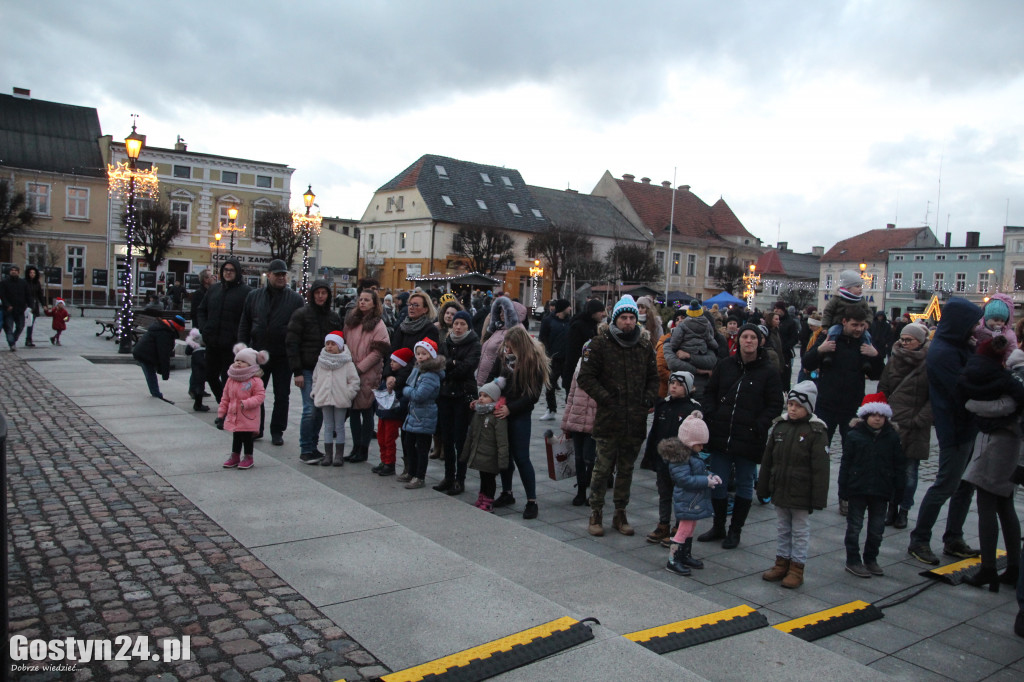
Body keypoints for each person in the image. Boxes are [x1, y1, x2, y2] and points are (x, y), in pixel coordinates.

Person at [907, 297, 984, 565]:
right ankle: (919, 539)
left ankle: (954, 538)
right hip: (955, 426)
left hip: (969, 425)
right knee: (946, 485)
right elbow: (961, 389)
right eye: (973, 323)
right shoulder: (943, 352)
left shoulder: (960, 346)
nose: (976, 328)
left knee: (965, 485)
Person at [577, 295, 659, 537]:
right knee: (602, 469)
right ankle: (596, 512)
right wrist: (606, 398)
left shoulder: (644, 345)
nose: (628, 322)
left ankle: (620, 513)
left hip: (634, 420)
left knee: (626, 470)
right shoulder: (599, 344)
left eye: (632, 317)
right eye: (624, 317)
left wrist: (647, 399)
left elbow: (653, 378)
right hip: (609, 418)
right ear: (615, 319)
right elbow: (585, 377)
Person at [698, 324, 784, 548]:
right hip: (722, 433)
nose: (749, 341)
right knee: (718, 482)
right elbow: (710, 392)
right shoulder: (725, 365)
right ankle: (718, 526)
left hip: (749, 437)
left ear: (759, 341)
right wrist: (712, 414)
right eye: (745, 336)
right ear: (738, 340)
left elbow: (775, 404)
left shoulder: (768, 371)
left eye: (753, 337)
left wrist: (759, 424)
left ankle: (735, 530)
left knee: (745, 484)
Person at [800, 306, 884, 515]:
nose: (858, 329)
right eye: (854, 325)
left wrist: (876, 356)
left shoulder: (865, 342)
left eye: (862, 325)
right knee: (819, 452)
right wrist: (820, 350)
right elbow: (807, 362)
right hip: (826, 404)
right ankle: (812, 493)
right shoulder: (829, 338)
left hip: (852, 407)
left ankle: (845, 497)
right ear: (844, 322)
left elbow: (877, 374)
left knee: (852, 456)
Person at [959, 340, 1024, 590]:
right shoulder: (1012, 371)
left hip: (1001, 442)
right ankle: (1014, 567)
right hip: (1009, 443)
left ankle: (988, 569)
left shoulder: (1015, 374)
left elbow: (1006, 405)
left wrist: (970, 404)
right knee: (1005, 503)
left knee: (987, 502)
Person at [757, 381, 830, 588]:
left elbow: (821, 468)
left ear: (808, 407)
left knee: (799, 531)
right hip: (781, 488)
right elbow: (768, 460)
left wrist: (818, 498)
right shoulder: (780, 426)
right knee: (782, 528)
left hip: (801, 492)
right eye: (790, 404)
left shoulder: (816, 431)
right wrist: (763, 486)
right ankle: (781, 562)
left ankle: (797, 567)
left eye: (798, 406)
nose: (793, 409)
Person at [238, 259, 304, 445]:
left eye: (284, 274)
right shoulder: (254, 296)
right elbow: (245, 323)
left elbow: (300, 328)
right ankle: (256, 428)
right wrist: (242, 350)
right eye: (277, 274)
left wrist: (296, 354)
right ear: (269, 275)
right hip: (258, 354)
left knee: (282, 395)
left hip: (283, 355)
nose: (281, 277)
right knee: (256, 394)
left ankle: (277, 430)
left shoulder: (295, 299)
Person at [840, 393, 905, 578]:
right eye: (874, 415)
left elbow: (899, 465)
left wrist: (898, 491)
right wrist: (843, 488)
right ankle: (853, 560)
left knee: (877, 530)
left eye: (881, 415)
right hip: (858, 489)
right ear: (865, 416)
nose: (877, 419)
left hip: (881, 490)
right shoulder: (854, 436)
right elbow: (846, 463)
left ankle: (871, 558)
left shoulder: (892, 438)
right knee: (854, 527)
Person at [488, 326, 550, 518]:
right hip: (501, 411)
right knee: (504, 456)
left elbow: (532, 396)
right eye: (506, 346)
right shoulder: (503, 358)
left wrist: (511, 408)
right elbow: (492, 379)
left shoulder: (533, 362)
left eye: (510, 347)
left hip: (519, 414)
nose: (507, 350)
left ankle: (532, 501)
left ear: (520, 346)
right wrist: (485, 396)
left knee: (522, 458)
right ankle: (507, 492)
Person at [877, 322, 931, 528]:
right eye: (902, 339)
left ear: (920, 341)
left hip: (915, 426)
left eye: (909, 340)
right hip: (893, 423)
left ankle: (904, 510)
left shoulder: (929, 363)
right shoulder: (893, 361)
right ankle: (891, 508)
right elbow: (883, 389)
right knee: (890, 470)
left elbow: (933, 398)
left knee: (909, 473)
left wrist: (919, 420)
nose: (904, 343)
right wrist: (881, 415)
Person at [286, 279, 343, 464]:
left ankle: (313, 446)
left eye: (323, 293)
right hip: (307, 369)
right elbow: (292, 343)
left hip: (326, 369)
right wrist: (297, 371)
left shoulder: (333, 317)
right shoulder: (301, 314)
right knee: (310, 408)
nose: (320, 296)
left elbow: (340, 343)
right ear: (312, 295)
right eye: (317, 293)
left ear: (328, 295)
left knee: (320, 410)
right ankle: (306, 449)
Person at [642, 371, 702, 546]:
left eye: (679, 384)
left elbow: (695, 437)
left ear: (688, 388)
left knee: (681, 495)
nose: (674, 387)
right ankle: (663, 524)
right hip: (663, 459)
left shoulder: (692, 408)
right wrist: (651, 456)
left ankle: (679, 527)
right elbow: (655, 432)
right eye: (672, 383)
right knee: (664, 493)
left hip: (682, 461)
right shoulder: (663, 405)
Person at [660, 413, 719, 576]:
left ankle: (684, 555)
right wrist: (706, 481)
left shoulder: (691, 455)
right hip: (687, 499)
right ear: (690, 442)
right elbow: (684, 479)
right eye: (699, 444)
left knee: (690, 527)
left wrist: (711, 476)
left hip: (692, 499)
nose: (702, 447)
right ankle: (673, 559)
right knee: (684, 529)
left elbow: (699, 473)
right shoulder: (681, 458)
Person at [436, 310, 481, 495]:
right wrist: (453, 363)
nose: (458, 327)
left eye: (462, 324)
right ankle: (448, 476)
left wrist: (452, 365)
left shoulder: (474, 344)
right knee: (446, 438)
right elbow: (439, 363)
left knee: (460, 440)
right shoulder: (446, 342)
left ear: (468, 326)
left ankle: (459, 479)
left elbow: (467, 368)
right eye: (456, 323)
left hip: (463, 395)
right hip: (446, 394)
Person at [343, 289, 391, 463]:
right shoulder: (351, 321)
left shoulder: (378, 324)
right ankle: (355, 447)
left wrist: (360, 367)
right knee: (353, 411)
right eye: (361, 299)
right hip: (351, 371)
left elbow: (378, 351)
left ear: (374, 303)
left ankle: (363, 449)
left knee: (366, 410)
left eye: (366, 300)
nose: (362, 302)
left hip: (369, 372)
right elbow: (344, 343)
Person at [196, 257, 251, 405]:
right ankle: (223, 403)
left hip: (231, 345)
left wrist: (242, 338)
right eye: (226, 270)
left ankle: (227, 409)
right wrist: (204, 328)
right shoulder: (214, 289)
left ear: (237, 272)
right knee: (210, 375)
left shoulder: (246, 292)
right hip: (212, 342)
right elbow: (201, 310)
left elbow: (250, 317)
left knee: (228, 379)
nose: (228, 273)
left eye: (232, 270)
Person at [398, 338, 444, 489]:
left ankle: (419, 476)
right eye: (418, 353)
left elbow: (419, 395)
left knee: (422, 448)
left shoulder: (430, 374)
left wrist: (406, 390)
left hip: (424, 414)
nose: (420, 356)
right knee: (409, 444)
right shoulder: (418, 370)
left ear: (431, 355)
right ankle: (411, 472)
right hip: (415, 413)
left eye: (424, 354)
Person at [311, 331, 361, 467]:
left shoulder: (347, 362)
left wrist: (348, 394)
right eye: (327, 343)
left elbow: (354, 381)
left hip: (341, 398)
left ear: (339, 346)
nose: (329, 346)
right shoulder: (321, 361)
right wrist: (316, 392)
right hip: (324, 397)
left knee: (339, 426)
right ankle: (328, 455)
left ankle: (339, 455)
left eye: (333, 344)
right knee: (328, 426)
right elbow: (315, 378)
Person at [462, 378, 510, 512]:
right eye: (480, 395)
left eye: (485, 396)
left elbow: (502, 441)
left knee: (489, 479)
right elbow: (471, 435)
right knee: (483, 477)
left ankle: (488, 501)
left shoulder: (497, 415)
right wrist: (466, 453)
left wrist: (503, 460)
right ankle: (482, 497)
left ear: (494, 398)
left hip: (491, 456)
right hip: (481, 454)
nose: (481, 398)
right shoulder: (479, 413)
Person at [561, 342, 599, 507]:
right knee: (578, 458)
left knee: (590, 458)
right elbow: (571, 396)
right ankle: (581, 491)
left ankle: (593, 491)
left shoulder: (603, 372)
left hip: (593, 421)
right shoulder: (578, 370)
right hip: (576, 419)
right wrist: (566, 422)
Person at [219, 344, 269, 470]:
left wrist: (247, 403)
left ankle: (248, 456)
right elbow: (225, 396)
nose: (238, 363)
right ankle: (235, 455)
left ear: (251, 364)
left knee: (247, 437)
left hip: (248, 416)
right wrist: (222, 412)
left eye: (243, 361)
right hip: (235, 415)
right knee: (236, 436)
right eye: (237, 360)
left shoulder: (255, 380)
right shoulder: (231, 379)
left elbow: (260, 396)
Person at [373, 347, 413, 477]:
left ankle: (389, 463)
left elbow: (403, 399)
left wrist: (395, 407)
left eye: (395, 361)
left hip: (392, 415)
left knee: (389, 439)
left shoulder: (402, 380)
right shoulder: (389, 377)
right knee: (381, 438)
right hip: (383, 413)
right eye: (391, 361)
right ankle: (384, 460)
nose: (391, 364)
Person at [131, 314, 186, 403]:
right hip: (145, 354)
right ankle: (156, 394)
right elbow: (163, 353)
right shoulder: (164, 333)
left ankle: (155, 393)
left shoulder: (163, 328)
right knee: (151, 374)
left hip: (143, 352)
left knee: (150, 374)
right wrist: (165, 373)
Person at [476, 296, 525, 385]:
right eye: (500, 311)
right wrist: (489, 321)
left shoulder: (515, 332)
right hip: (487, 378)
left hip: (497, 381)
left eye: (504, 311)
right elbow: (483, 341)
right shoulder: (499, 328)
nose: (501, 314)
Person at [820, 269, 873, 351]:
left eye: (861, 286)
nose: (860, 289)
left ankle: (867, 351)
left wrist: (867, 322)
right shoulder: (837, 298)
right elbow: (828, 312)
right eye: (857, 286)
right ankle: (829, 349)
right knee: (832, 332)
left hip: (857, 325)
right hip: (838, 324)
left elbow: (869, 312)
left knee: (867, 336)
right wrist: (825, 327)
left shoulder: (861, 300)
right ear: (848, 288)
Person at [562, 299, 605, 392]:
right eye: (601, 311)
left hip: (587, 371)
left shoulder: (592, 325)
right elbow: (572, 351)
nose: (604, 314)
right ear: (593, 312)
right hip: (576, 371)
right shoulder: (578, 326)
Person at [539, 299, 571, 421]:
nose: (570, 309)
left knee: (569, 386)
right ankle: (551, 409)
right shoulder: (548, 321)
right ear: (563, 308)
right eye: (568, 307)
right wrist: (547, 354)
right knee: (550, 384)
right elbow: (542, 338)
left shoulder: (570, 321)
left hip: (567, 359)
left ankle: (569, 411)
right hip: (553, 358)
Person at [972, 294, 1018, 359]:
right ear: (986, 318)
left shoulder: (1009, 335)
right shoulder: (978, 331)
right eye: (995, 320)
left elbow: (1012, 352)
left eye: (1002, 321)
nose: (999, 323)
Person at [0, 264, 29, 351]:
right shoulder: (4, 282)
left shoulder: (23, 283)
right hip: (8, 310)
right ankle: (11, 344)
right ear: (9, 272)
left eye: (15, 270)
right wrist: (7, 305)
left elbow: (28, 295)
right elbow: (2, 295)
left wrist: (29, 305)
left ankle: (13, 339)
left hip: (20, 309)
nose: (14, 272)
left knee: (20, 326)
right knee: (9, 328)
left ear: (18, 272)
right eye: (12, 270)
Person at [773, 302, 800, 390]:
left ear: (783, 310)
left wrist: (784, 347)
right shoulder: (773, 321)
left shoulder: (790, 322)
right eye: (775, 308)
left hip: (785, 354)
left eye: (778, 308)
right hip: (774, 353)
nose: (776, 310)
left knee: (784, 378)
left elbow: (794, 338)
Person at [184, 328, 209, 412]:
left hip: (196, 367)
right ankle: (198, 405)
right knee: (200, 385)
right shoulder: (203, 347)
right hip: (202, 365)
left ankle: (197, 401)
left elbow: (187, 352)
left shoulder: (195, 341)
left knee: (198, 382)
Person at [22, 265, 43, 347]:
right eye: (31, 272)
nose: (32, 274)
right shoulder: (24, 282)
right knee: (21, 323)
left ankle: (28, 339)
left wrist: (44, 304)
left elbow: (40, 294)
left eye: (34, 273)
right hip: (25, 305)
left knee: (30, 323)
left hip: (34, 305)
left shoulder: (37, 283)